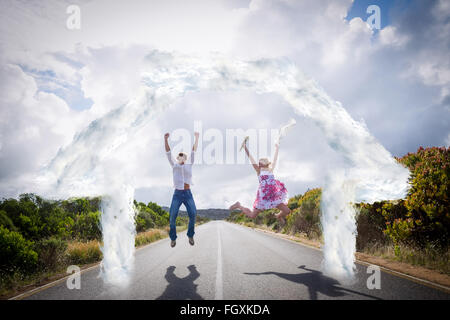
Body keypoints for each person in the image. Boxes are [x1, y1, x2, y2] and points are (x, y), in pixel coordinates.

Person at [229, 137, 291, 223]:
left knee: (287, 211)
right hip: (263, 198)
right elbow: (251, 159)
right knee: (252, 215)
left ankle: (278, 216)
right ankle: (239, 206)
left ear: (265, 164)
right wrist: (245, 147)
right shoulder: (259, 171)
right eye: (259, 163)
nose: (259, 163)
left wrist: (277, 147)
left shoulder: (271, 169)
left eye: (260, 162)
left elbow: (275, 158)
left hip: (273, 196)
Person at [164, 131, 199, 248]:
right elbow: (168, 153)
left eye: (183, 155)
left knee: (193, 214)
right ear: (177, 158)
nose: (181, 157)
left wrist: (197, 138)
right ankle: (173, 238)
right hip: (177, 194)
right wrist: (166, 140)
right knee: (172, 216)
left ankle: (190, 235)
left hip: (188, 193)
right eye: (179, 156)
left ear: (186, 158)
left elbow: (194, 151)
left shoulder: (190, 164)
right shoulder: (174, 164)